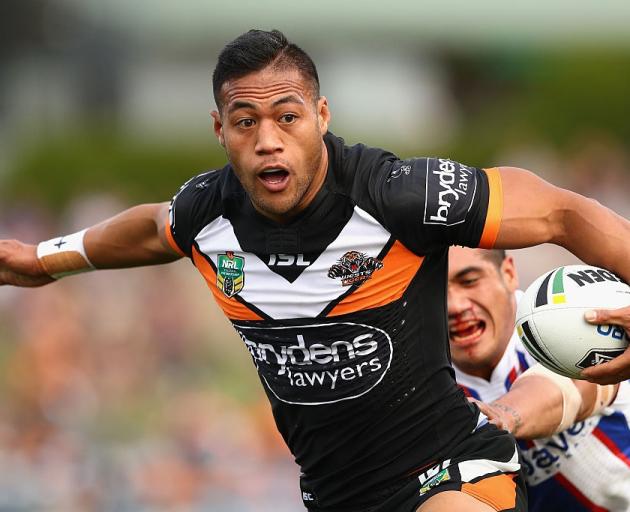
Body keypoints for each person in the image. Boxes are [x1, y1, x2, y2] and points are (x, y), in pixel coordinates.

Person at [1, 28, 630, 511]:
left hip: (451, 471)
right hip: (335, 494)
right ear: (220, 130)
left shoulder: (397, 196)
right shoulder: (206, 215)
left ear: (322, 117)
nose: (268, 139)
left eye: (288, 116)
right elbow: (148, 229)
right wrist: (42, 259)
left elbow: (559, 213)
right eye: (246, 122)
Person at [448, 246, 630, 511]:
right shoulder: (415, 378)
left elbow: (574, 387)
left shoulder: (569, 313)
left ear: (508, 273)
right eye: (435, 292)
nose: (455, 305)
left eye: (470, 281)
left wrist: (500, 415)